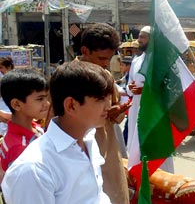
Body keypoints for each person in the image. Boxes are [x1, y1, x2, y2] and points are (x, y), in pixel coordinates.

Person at [1, 61, 115, 203]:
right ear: (71, 105)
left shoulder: (88, 140)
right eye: (100, 99)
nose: (108, 106)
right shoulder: (34, 169)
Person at [78, 23, 131, 203]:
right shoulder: (67, 78)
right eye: (101, 58)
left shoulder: (107, 76)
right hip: (78, 153)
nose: (106, 63)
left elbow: (116, 116)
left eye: (109, 59)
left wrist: (116, 113)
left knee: (115, 195)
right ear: (85, 50)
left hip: (107, 151)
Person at [127, 25, 174, 173]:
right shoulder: (136, 60)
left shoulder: (161, 61)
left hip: (154, 110)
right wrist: (132, 88)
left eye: (143, 36)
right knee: (137, 146)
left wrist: (145, 91)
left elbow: (168, 87)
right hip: (136, 108)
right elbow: (129, 84)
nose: (139, 40)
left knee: (156, 148)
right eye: (139, 36)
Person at [0, 68, 49, 171]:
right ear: (16, 104)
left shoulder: (35, 127)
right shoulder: (19, 148)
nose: (47, 104)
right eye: (40, 99)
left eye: (46, 98)